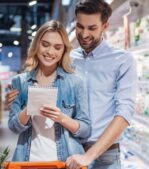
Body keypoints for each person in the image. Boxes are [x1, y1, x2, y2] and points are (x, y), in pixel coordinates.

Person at [6, 0, 137, 168]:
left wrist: (89, 155)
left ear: (105, 26)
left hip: (105, 152)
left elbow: (125, 112)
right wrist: (15, 98)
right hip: (67, 147)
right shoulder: (66, 58)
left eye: (92, 28)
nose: (84, 34)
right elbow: (40, 81)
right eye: (80, 26)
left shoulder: (122, 60)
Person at [8, 20, 91, 162]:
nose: (50, 52)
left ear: (64, 50)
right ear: (36, 45)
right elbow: (14, 127)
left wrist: (61, 118)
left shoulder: (75, 83)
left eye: (57, 47)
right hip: (28, 161)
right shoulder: (20, 82)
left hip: (65, 161)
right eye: (45, 44)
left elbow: (85, 129)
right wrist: (28, 109)